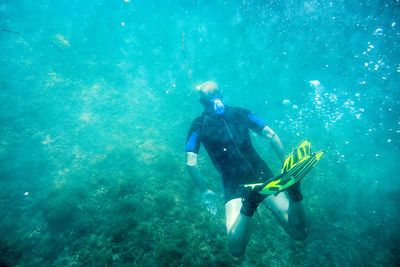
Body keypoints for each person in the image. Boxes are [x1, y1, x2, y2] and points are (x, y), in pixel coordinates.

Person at [185, 81, 307, 257]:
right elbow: (270, 134)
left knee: (236, 250)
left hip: (233, 183)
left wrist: (205, 191)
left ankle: (249, 205)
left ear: (201, 101)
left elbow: (190, 162)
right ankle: (295, 192)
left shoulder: (198, 124)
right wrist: (287, 163)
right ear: (221, 93)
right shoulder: (240, 112)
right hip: (263, 175)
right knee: (299, 233)